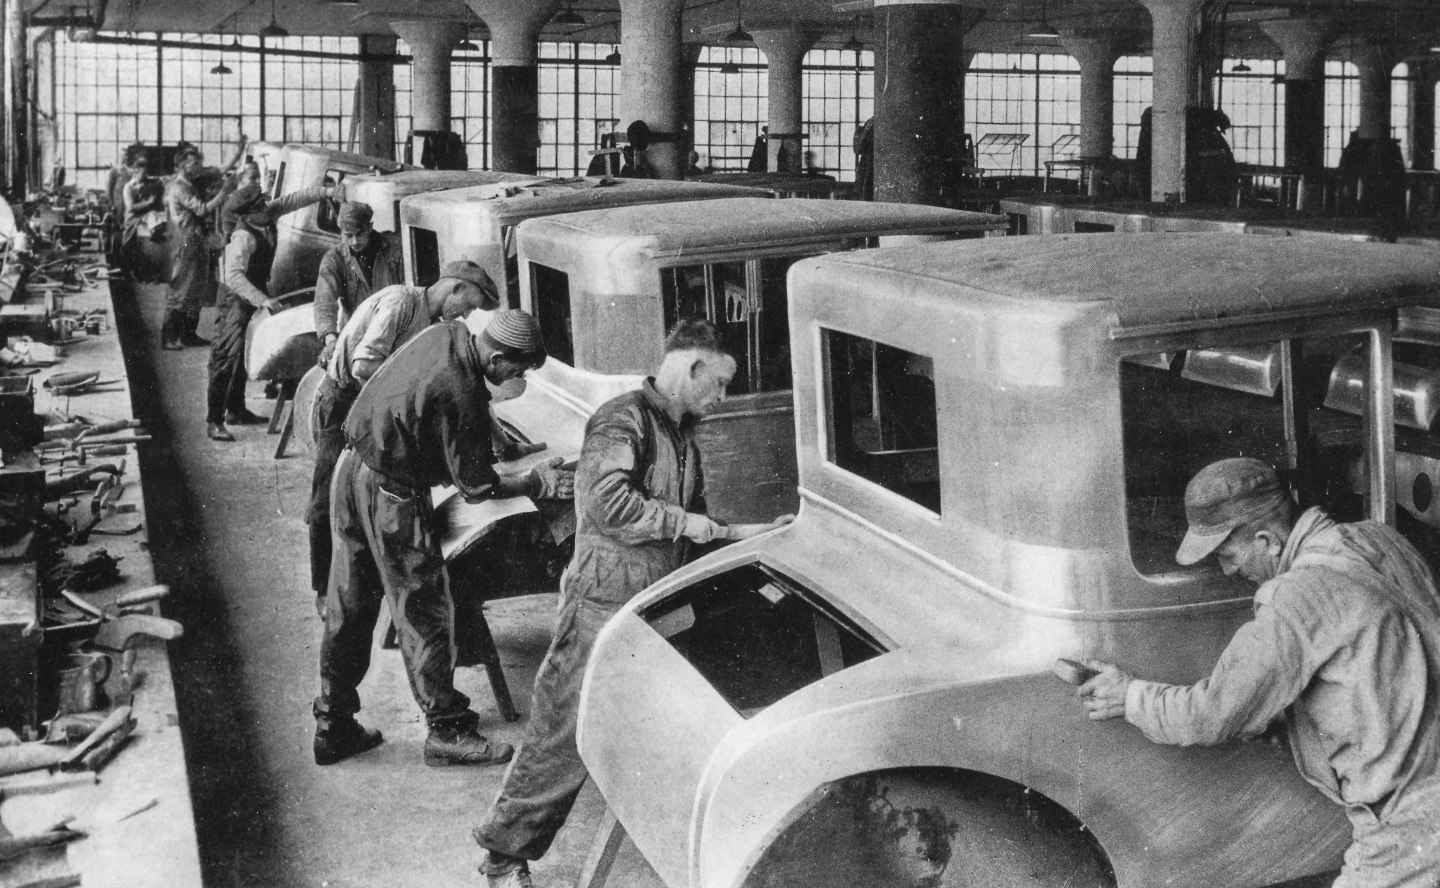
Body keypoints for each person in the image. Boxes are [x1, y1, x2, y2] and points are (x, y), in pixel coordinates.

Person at [474, 319, 792, 888]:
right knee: (563, 732)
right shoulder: (622, 421)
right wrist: (695, 525)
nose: (721, 400)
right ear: (690, 368)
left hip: (650, 602)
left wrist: (751, 532)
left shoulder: (678, 431)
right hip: (602, 601)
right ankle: (503, 855)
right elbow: (608, 503)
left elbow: (691, 522)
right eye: (718, 385)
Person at [1079, 458, 1440, 888]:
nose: (1229, 571)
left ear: (1268, 540)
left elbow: (1211, 714)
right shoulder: (1382, 539)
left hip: (1410, 825)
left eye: (1229, 555)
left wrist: (1131, 696)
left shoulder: (1294, 599)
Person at [314, 309, 576, 769]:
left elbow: (442, 405)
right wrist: (536, 483)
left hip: (351, 470)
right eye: (515, 371)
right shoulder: (464, 390)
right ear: (496, 357)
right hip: (390, 495)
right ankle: (448, 731)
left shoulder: (447, 334)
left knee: (350, 604)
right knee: (426, 608)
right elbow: (477, 488)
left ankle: (333, 725)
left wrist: (494, 439)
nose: (515, 380)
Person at [307, 261, 502, 619]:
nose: (467, 314)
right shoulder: (401, 303)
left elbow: (463, 384)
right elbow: (362, 366)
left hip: (378, 408)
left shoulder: (440, 328)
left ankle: (391, 588)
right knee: (329, 495)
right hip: (344, 400)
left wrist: (498, 439)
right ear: (455, 288)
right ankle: (323, 588)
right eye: (469, 305)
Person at [205, 181, 334, 442]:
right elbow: (233, 277)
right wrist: (263, 300)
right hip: (235, 299)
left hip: (252, 296)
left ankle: (236, 409)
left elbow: (293, 199)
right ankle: (214, 420)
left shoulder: (266, 213)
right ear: (247, 214)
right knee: (225, 356)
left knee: (243, 352)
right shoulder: (243, 237)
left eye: (265, 203)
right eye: (260, 207)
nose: (267, 208)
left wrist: (325, 192)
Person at [162, 139, 244, 350]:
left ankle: (189, 334)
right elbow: (202, 209)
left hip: (197, 239)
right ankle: (169, 337)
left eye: (198, 164)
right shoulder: (179, 188)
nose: (197, 168)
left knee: (197, 288)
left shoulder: (191, 181)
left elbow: (219, 170)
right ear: (182, 165)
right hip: (185, 241)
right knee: (181, 288)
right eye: (193, 165)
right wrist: (224, 192)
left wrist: (239, 152)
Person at [313, 201, 406, 371]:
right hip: (357, 337)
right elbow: (324, 302)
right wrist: (331, 339)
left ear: (370, 228)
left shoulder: (395, 250)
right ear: (341, 232)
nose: (355, 241)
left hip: (393, 336)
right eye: (348, 235)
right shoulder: (334, 259)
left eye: (360, 234)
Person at [120, 155, 165, 281]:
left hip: (144, 216)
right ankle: (129, 273)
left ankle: (155, 232)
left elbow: (158, 179)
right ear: (135, 171)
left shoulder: (147, 182)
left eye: (147, 173)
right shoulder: (128, 187)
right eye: (143, 173)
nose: (145, 176)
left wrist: (163, 180)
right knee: (128, 247)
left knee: (153, 215)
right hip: (132, 218)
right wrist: (149, 203)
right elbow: (130, 207)